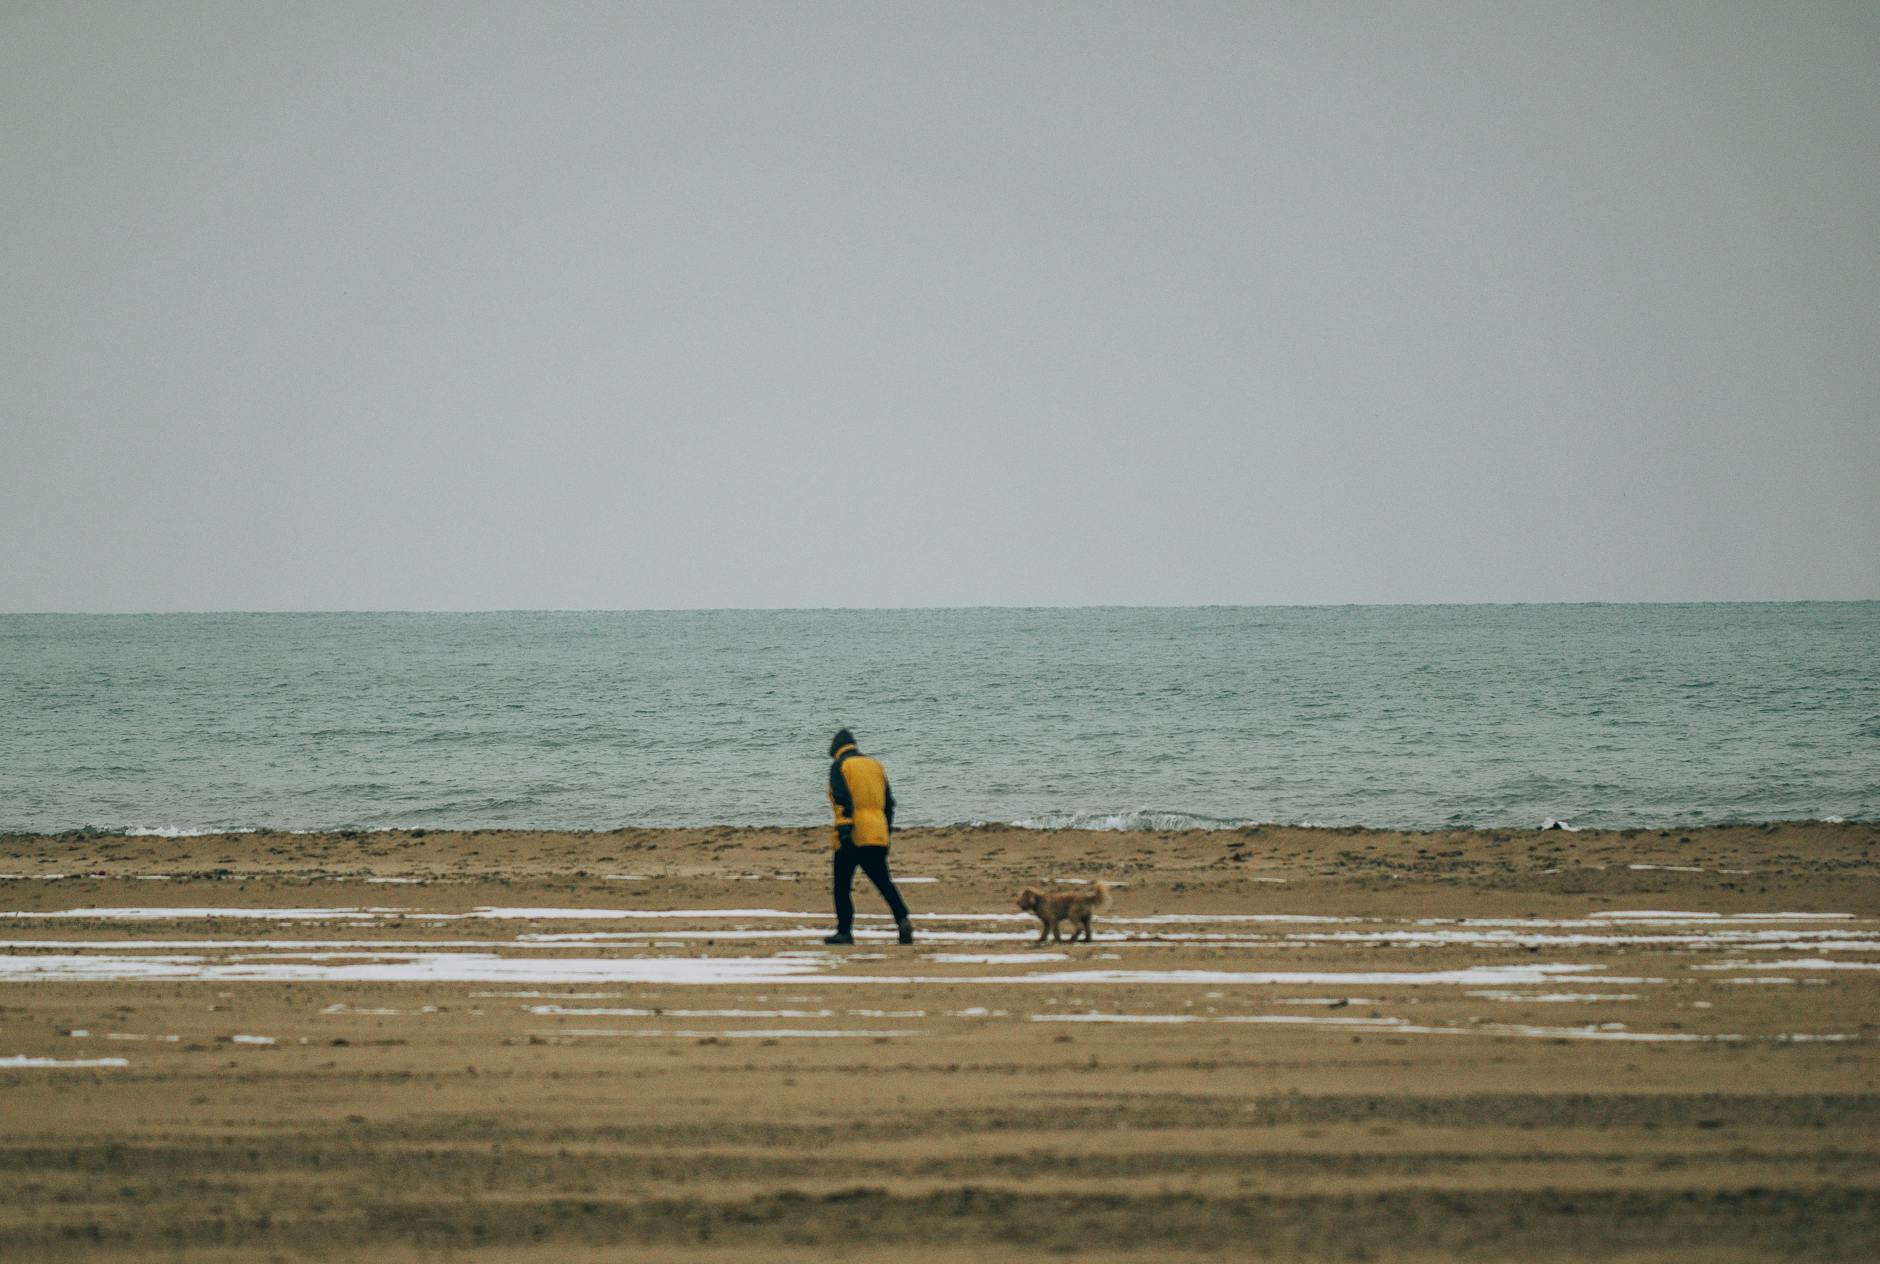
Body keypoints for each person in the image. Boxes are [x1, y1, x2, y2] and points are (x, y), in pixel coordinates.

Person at [823, 728, 912, 945]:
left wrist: (845, 832)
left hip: (853, 834)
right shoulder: (875, 765)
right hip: (877, 832)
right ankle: (902, 919)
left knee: (842, 886)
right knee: (883, 882)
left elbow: (842, 800)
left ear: (836, 749)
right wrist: (886, 831)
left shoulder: (840, 766)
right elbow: (889, 803)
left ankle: (845, 931)